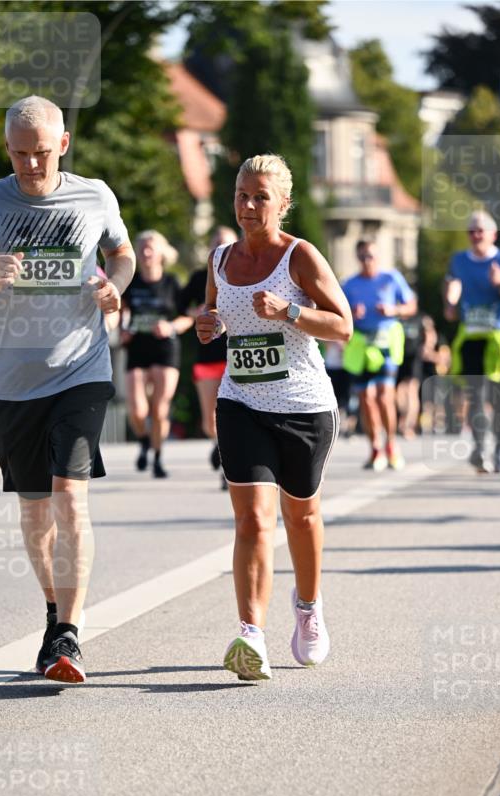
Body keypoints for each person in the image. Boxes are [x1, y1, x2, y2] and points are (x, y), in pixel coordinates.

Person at [0, 95, 135, 684]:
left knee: (69, 495)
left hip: (81, 370)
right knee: (34, 512)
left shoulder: (95, 195)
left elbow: (122, 254)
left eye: (42, 152)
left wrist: (116, 288)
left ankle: (71, 634)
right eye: (20, 153)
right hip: (13, 383)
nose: (31, 164)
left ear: (64, 143)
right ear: (8, 149)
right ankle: (55, 613)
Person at [195, 154, 352, 682]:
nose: (249, 205)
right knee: (252, 519)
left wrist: (288, 312)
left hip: (304, 405)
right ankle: (251, 634)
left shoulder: (300, 256)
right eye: (242, 194)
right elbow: (218, 317)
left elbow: (343, 326)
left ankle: (308, 607)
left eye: (261, 196)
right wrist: (208, 326)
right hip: (240, 402)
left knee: (301, 517)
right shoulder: (219, 259)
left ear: (284, 203)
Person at [444, 210, 500, 474]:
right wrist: (450, 299)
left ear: (494, 233)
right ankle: (480, 448)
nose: (476, 235)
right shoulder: (458, 261)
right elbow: (449, 311)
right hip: (472, 338)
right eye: (471, 231)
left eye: (481, 230)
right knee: (476, 396)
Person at [120, 230, 193, 478]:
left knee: (160, 410)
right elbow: (121, 313)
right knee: (137, 410)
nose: (146, 252)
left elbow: (187, 318)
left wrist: (170, 327)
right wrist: (122, 330)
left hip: (165, 348)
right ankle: (143, 440)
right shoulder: (132, 283)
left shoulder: (172, 283)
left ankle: (158, 458)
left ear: (161, 252)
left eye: (151, 248)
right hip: (138, 348)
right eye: (142, 248)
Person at [341, 240, 417, 470]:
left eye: (371, 256)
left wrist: (394, 310)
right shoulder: (350, 284)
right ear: (357, 258)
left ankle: (391, 444)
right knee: (366, 398)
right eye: (363, 256)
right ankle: (375, 448)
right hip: (362, 343)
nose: (367, 261)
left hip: (387, 340)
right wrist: (353, 313)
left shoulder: (391, 278)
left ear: (378, 256)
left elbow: (411, 306)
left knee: (385, 395)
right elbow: (339, 313)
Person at [179, 226, 237, 487]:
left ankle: (230, 465)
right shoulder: (199, 277)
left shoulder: (242, 275)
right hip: (206, 356)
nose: (220, 250)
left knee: (234, 413)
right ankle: (219, 443)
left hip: (234, 355)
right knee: (208, 421)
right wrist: (199, 315)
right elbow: (179, 308)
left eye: (226, 244)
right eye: (216, 244)